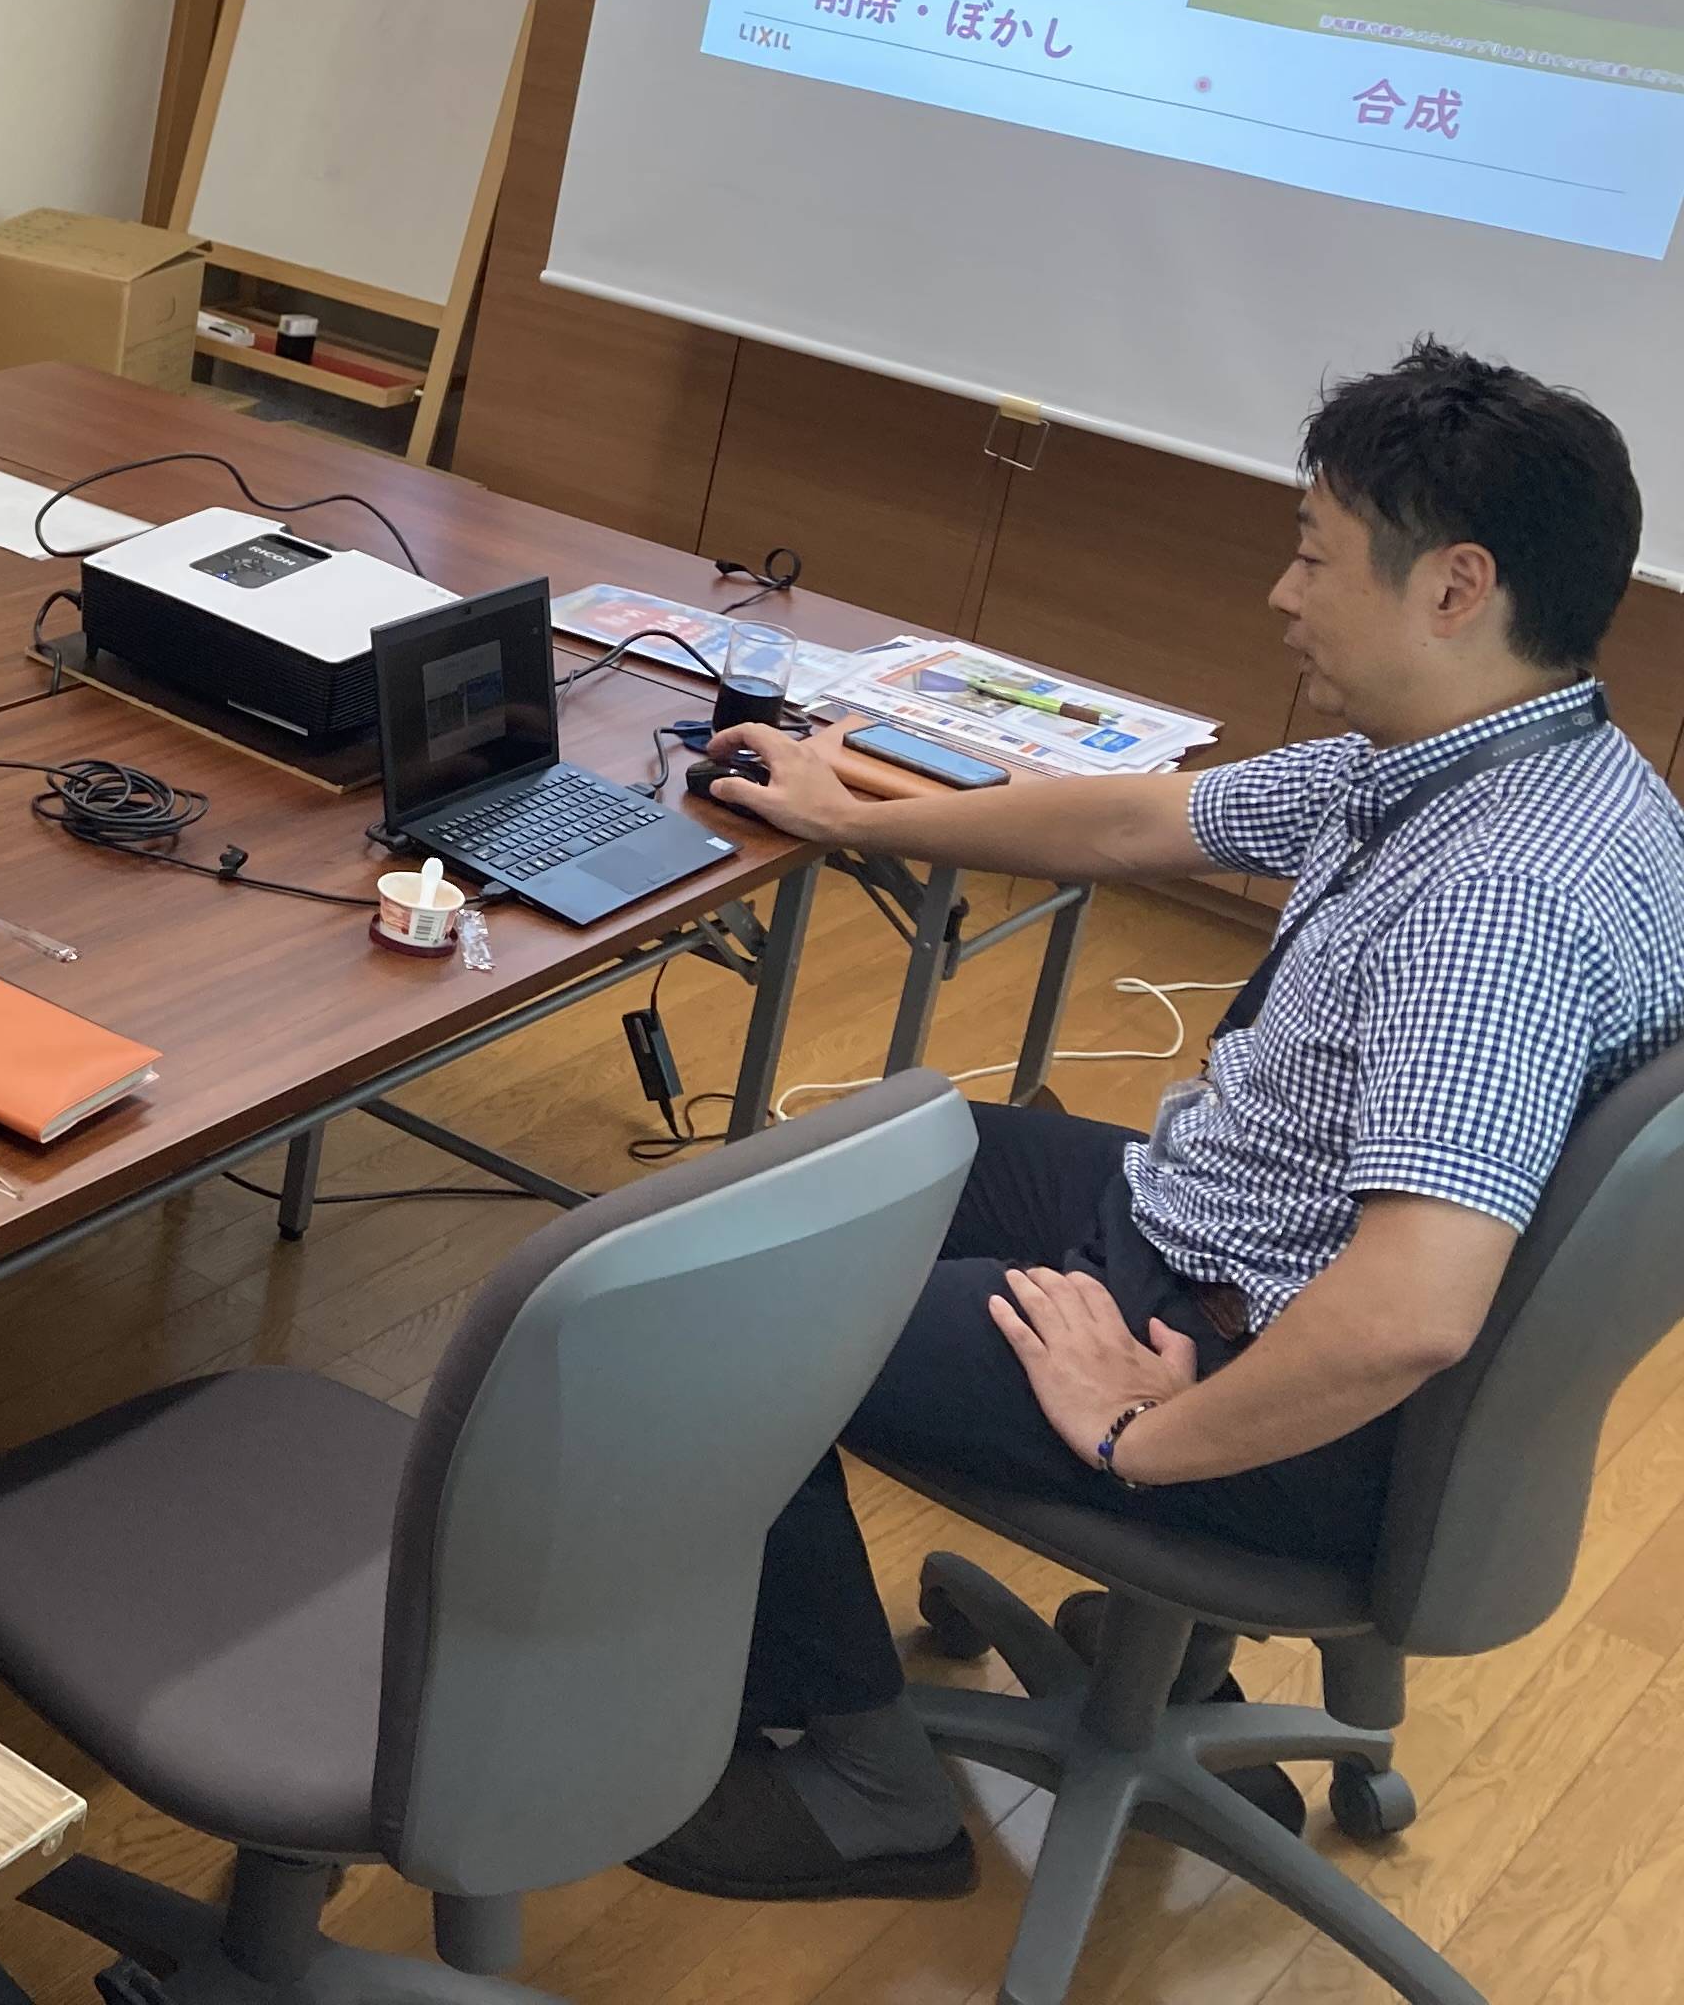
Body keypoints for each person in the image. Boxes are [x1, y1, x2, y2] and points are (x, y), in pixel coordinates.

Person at [634, 342, 1684, 1902]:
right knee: (808, 1181)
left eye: (1315, 557)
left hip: (1260, 1359)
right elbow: (1141, 818)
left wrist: (1145, 1437)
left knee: (714, 1323)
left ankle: (866, 1788)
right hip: (1214, 1224)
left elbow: (1408, 1315)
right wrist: (861, 811)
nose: (1282, 592)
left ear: (1455, 589)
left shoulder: (1496, 904)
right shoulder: (1523, 768)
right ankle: (1168, 1662)